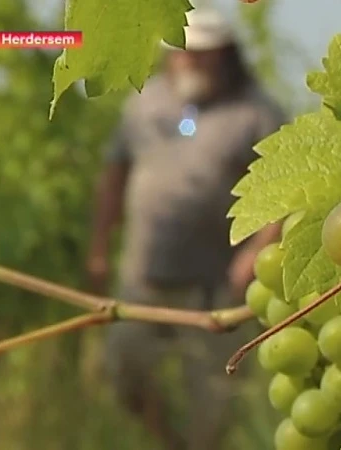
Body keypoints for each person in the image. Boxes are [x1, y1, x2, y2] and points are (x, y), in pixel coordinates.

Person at [85, 8, 286, 450]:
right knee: (124, 375)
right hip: (141, 281)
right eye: (181, 52)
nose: (188, 61)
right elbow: (114, 174)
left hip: (213, 292)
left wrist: (254, 255)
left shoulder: (257, 112)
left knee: (212, 409)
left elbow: (285, 197)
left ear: (225, 54)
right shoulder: (143, 103)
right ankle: (168, 442)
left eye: (201, 53)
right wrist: (99, 246)